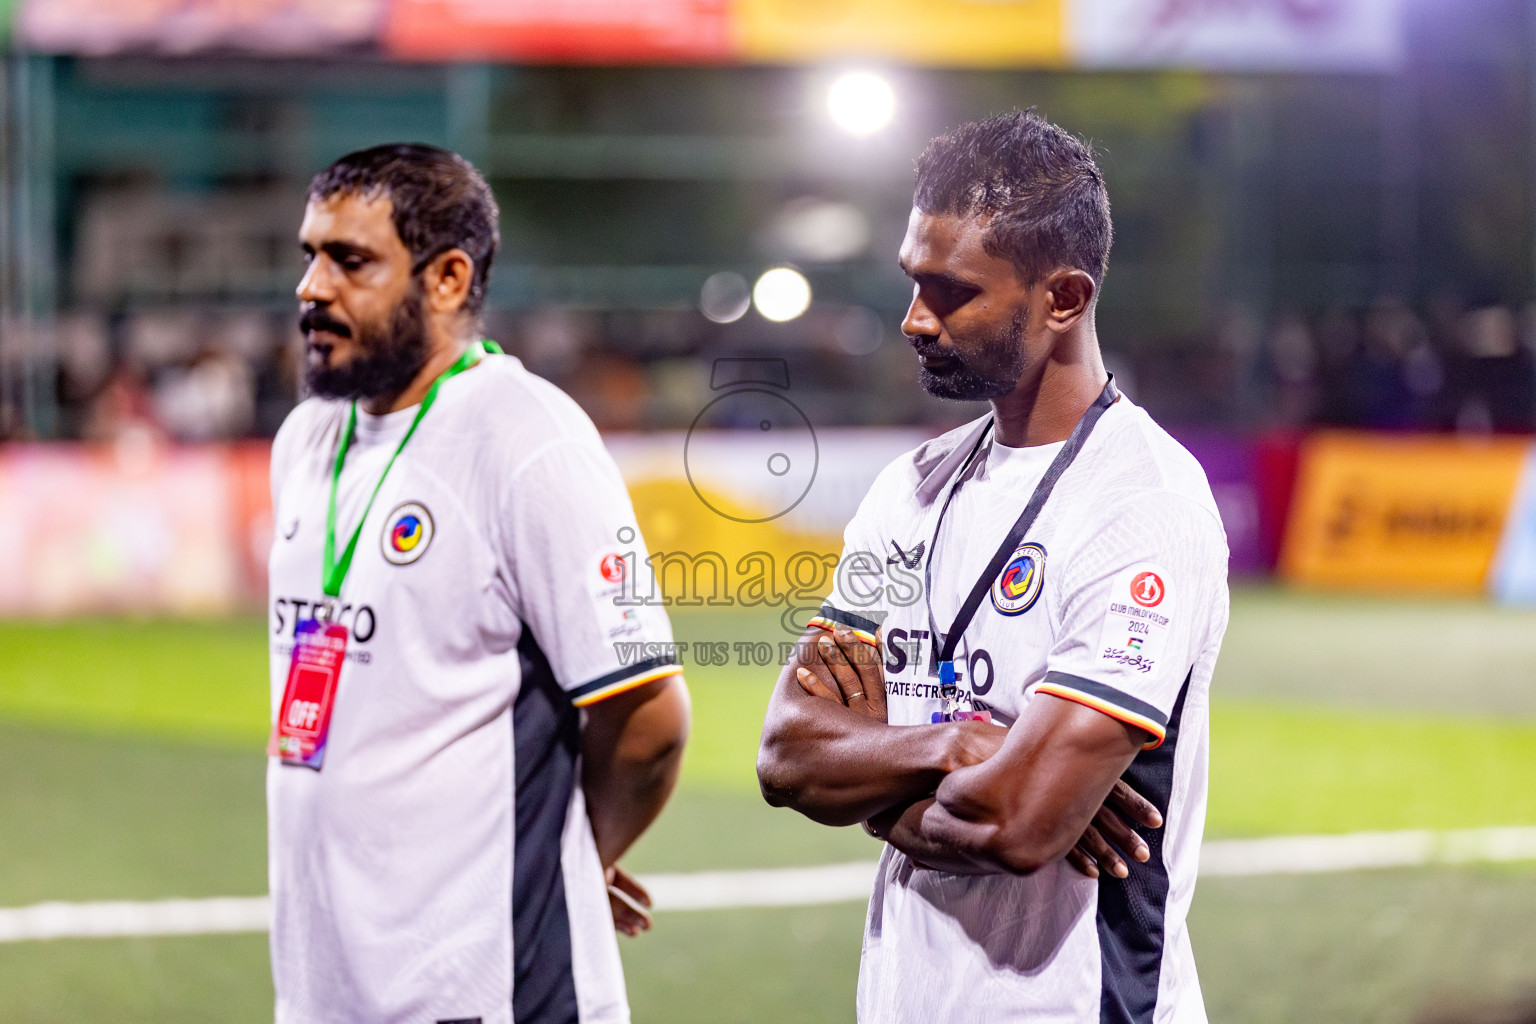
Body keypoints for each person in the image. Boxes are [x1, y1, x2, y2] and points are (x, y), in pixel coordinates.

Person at [757, 110, 1229, 1023]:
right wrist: (959, 745)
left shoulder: (1144, 501)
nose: (914, 319)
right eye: (912, 282)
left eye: (952, 292)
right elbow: (789, 754)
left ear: (1063, 299)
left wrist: (881, 782)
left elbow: (1014, 825)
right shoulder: (911, 487)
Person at [267, 143, 689, 1024]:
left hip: (487, 994)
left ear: (449, 279)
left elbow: (647, 717)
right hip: (327, 993)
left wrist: (571, 859)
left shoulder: (526, 436)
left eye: (350, 261)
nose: (312, 286)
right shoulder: (307, 440)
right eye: (309, 255)